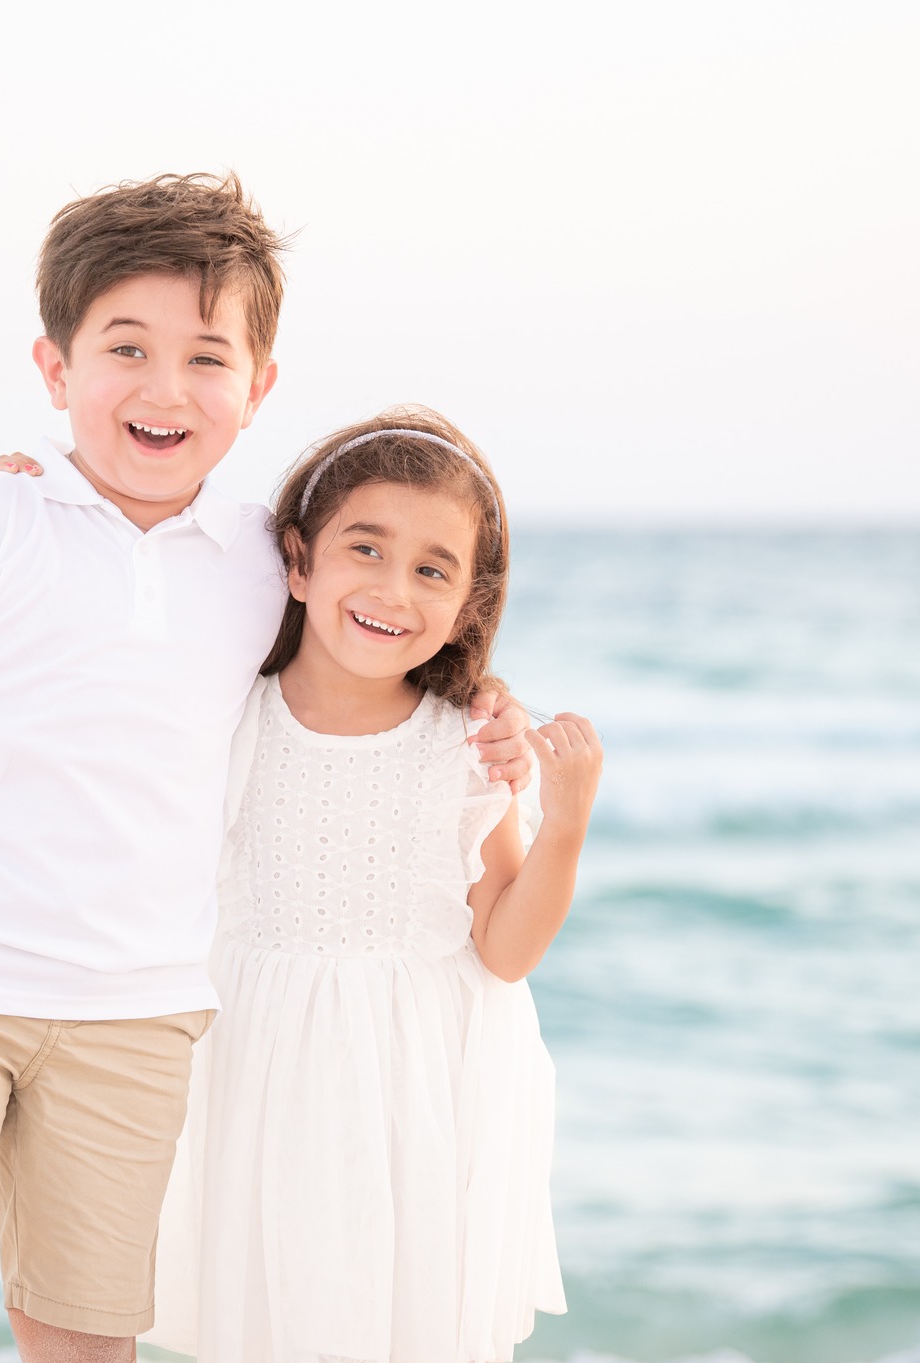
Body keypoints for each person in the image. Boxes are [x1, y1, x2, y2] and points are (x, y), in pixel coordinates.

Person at [0, 175, 536, 1363]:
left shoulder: (259, 559)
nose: (163, 388)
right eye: (125, 348)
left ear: (258, 388)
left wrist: (487, 704)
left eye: (205, 358)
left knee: (87, 1337)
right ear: (55, 369)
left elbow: (369, 646)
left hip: (138, 1013)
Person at [151, 408, 596, 1363]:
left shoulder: (464, 743)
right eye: (366, 548)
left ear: (467, 605)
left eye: (434, 570)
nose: (394, 589)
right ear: (297, 561)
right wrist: (28, 485)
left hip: (414, 1092)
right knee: (265, 1313)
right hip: (257, 1071)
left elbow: (506, 950)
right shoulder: (227, 713)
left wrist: (565, 823)